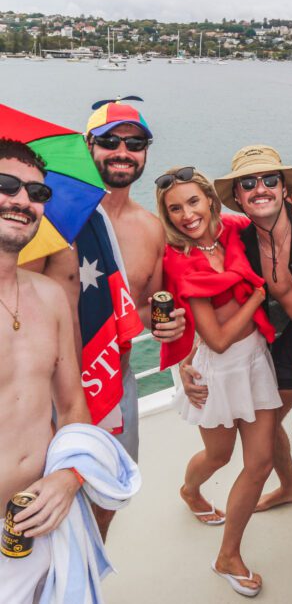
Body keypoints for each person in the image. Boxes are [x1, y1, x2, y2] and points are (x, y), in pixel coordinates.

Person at [24, 99, 186, 540]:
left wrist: (170, 325)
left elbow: (147, 308)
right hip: (53, 389)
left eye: (135, 143)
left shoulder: (151, 228)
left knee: (107, 493)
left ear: (146, 152)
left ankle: (90, 571)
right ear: (88, 144)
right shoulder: (51, 220)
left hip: (119, 378)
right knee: (38, 508)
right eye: (110, 141)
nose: (122, 151)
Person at [182, 145, 292, 565]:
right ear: (237, 197)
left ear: (286, 188)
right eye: (248, 183)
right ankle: (290, 487)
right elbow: (187, 243)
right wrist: (185, 358)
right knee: (269, 426)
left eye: (270, 179)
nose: (260, 189)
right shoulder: (239, 237)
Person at [156, 166, 281, 597]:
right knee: (219, 456)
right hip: (217, 366)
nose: (186, 214)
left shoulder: (230, 229)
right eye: (175, 208)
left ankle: (228, 555)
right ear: (167, 216)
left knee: (260, 461)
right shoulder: (180, 260)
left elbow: (266, 214)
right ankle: (190, 490)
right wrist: (259, 298)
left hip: (255, 361)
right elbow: (218, 339)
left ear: (211, 199)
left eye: (193, 201)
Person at [0, 139, 90, 603]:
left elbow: (73, 405)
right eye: (6, 185)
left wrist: (69, 476)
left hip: (41, 513)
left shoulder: (51, 296)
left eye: (37, 193)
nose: (23, 201)